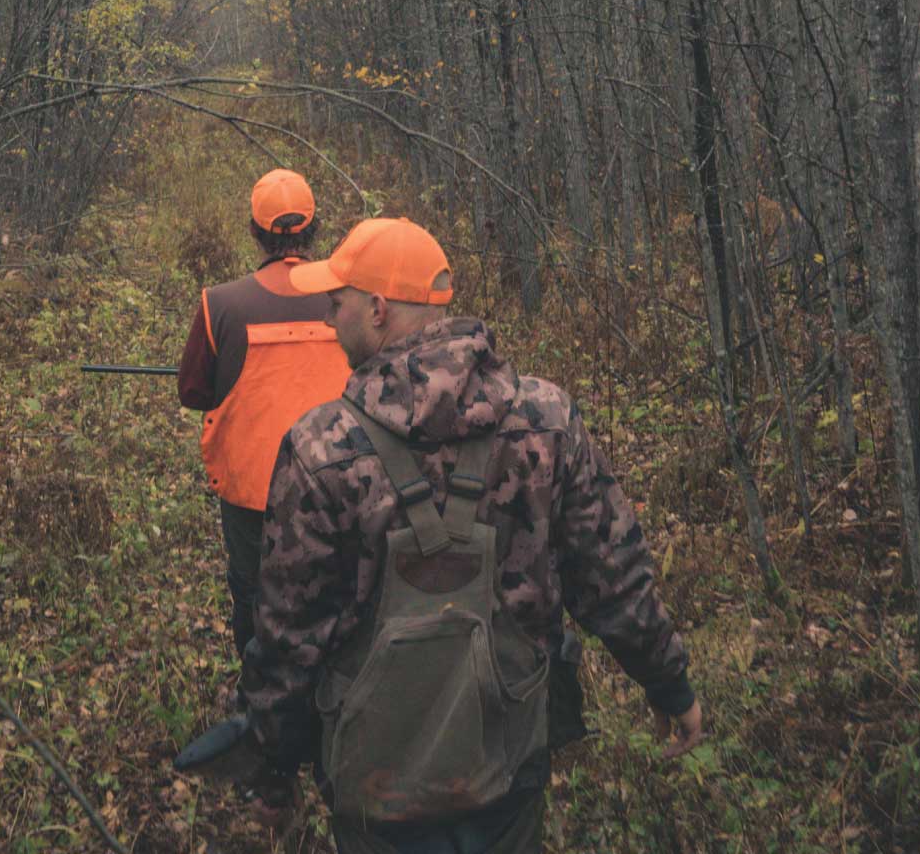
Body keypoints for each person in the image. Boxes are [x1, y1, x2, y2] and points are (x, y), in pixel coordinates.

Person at [238, 216, 702, 853]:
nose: (328, 317)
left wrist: (272, 765)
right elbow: (612, 573)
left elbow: (290, 633)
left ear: (376, 310)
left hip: (377, 783)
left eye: (336, 302)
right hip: (507, 763)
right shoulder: (546, 418)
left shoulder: (319, 447)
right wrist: (668, 682)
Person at [176, 168, 350, 661]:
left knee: (254, 595)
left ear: (254, 230)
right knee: (335, 592)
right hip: (339, 485)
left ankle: (261, 699)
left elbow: (192, 392)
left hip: (253, 490)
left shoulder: (221, 304)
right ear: (314, 228)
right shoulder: (347, 298)